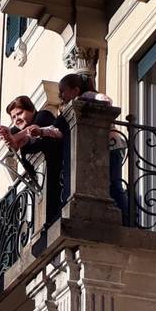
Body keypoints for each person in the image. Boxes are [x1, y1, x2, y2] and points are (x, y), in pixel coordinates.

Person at [58, 73, 129, 224]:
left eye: (63, 90)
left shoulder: (88, 95)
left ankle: (126, 218)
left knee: (114, 183)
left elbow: (106, 100)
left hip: (111, 145)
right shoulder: (68, 107)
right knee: (109, 184)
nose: (60, 95)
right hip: (100, 148)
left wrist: (84, 100)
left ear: (75, 90)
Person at [0, 95, 68, 223]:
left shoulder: (43, 115)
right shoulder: (17, 129)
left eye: (20, 113)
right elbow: (15, 140)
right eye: (13, 117)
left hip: (59, 175)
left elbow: (31, 130)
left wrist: (13, 139)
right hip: (42, 184)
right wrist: (10, 139)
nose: (17, 119)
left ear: (31, 110)